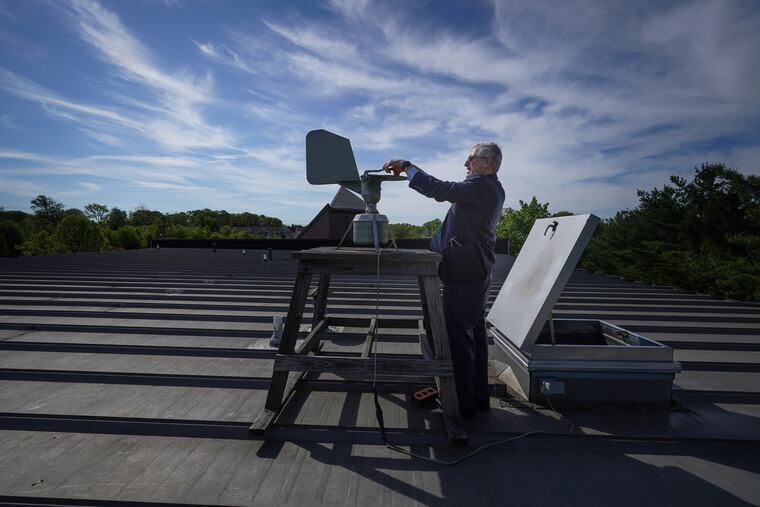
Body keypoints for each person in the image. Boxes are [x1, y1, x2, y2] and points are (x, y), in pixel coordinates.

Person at [383, 143, 505, 418]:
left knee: (459, 339)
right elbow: (457, 223)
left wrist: (407, 167)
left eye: (471, 158)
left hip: (467, 276)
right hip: (476, 272)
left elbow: (441, 189)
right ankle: (475, 399)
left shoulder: (482, 186)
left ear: (487, 163)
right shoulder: (488, 188)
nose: (466, 163)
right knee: (472, 335)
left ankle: (462, 405)